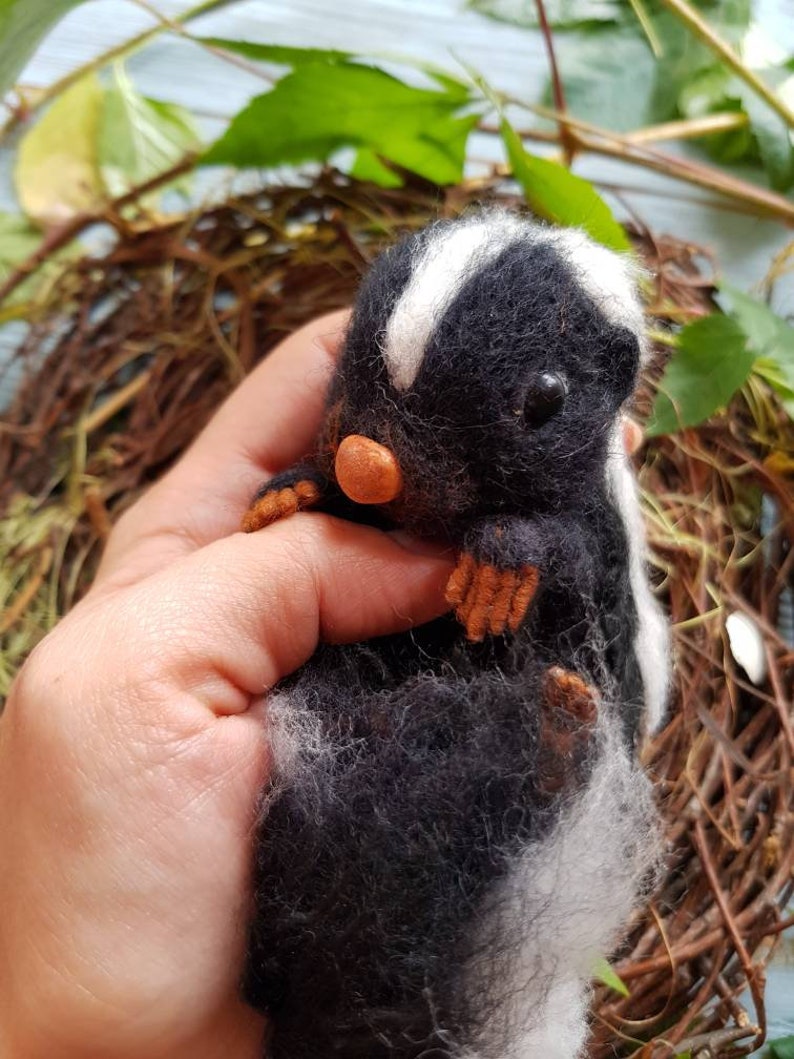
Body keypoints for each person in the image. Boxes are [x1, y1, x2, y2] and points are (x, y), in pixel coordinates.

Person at [0, 310, 644, 1059]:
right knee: (370, 850)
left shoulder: (565, 510)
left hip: (484, 690)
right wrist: (305, 489)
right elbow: (345, 492)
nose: (371, 461)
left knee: (460, 799)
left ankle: (541, 762)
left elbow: (582, 576)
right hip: (362, 725)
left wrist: (521, 544)